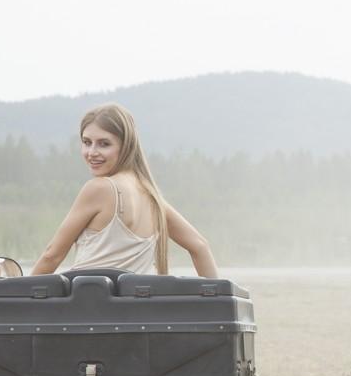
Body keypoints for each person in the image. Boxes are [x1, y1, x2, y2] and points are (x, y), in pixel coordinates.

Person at [31, 103, 218, 277]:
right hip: (133, 303)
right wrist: (216, 298)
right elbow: (200, 246)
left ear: (126, 146)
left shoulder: (100, 188)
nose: (92, 152)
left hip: (88, 300)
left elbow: (52, 256)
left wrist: (19, 296)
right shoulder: (153, 199)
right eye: (87, 142)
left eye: (104, 144)